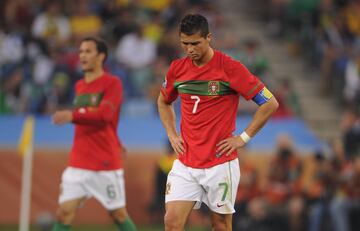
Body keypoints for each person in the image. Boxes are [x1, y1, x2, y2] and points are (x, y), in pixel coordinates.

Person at [157, 14, 279, 230]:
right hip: (186, 162)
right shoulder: (177, 68)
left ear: (209, 38)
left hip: (220, 164)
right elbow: (163, 101)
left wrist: (243, 138)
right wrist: (172, 134)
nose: (190, 49)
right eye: (185, 43)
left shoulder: (229, 68)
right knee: (171, 221)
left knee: (220, 225)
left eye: (195, 43)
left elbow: (270, 103)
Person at [51, 37, 137, 231]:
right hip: (79, 160)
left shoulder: (112, 83)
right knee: (63, 213)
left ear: (101, 56)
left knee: (118, 214)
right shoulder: (79, 86)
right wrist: (117, 140)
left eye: (88, 51)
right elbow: (92, 119)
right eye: (80, 51)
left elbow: (105, 116)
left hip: (104, 162)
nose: (82, 55)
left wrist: (72, 115)